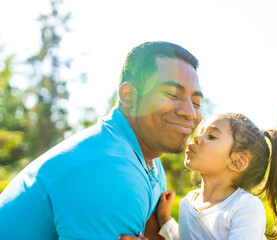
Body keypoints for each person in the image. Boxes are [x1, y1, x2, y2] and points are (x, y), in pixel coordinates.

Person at [0, 41, 203, 240]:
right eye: (172, 94)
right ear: (129, 95)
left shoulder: (149, 163)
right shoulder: (112, 169)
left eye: (196, 102)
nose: (190, 113)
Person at [156, 113, 277, 240]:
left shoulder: (245, 207)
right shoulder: (187, 203)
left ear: (237, 162)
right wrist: (164, 218)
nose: (196, 138)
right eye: (200, 132)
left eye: (212, 136)